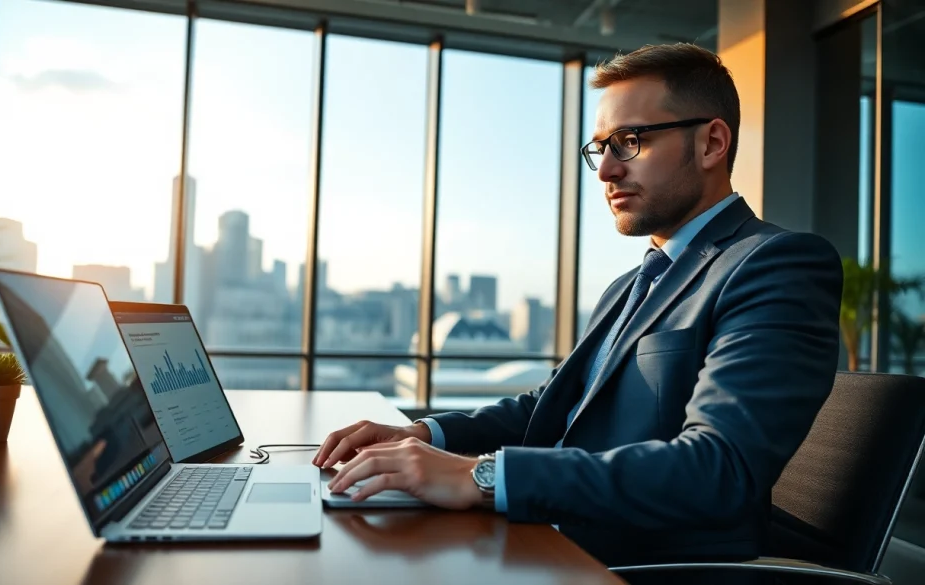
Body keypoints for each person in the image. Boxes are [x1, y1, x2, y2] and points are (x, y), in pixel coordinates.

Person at [313, 42, 843, 573]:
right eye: (601, 149)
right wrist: (425, 435)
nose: (606, 171)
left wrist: (481, 476)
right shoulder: (629, 286)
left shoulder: (774, 264)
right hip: (549, 541)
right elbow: (550, 407)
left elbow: (719, 469)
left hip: (633, 567)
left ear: (712, 143)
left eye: (630, 142)